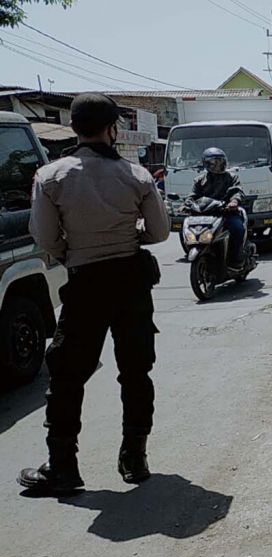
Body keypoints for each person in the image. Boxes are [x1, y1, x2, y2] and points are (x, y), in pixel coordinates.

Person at [19, 93, 169, 494]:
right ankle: (134, 459)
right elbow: (159, 232)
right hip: (131, 281)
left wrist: (75, 252)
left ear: (73, 127)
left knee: (67, 376)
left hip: (84, 283)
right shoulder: (136, 176)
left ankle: (63, 467)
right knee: (136, 371)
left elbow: (44, 236)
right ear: (113, 129)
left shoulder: (51, 177)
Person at [187, 147, 246, 269]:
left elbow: (237, 191)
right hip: (206, 215)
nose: (218, 165)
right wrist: (185, 204)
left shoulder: (231, 177)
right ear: (206, 164)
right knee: (188, 228)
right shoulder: (200, 180)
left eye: (220, 162)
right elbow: (192, 196)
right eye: (214, 163)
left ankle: (236, 259)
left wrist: (234, 201)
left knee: (237, 228)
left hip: (227, 213)